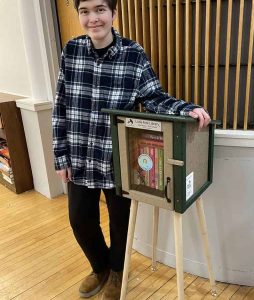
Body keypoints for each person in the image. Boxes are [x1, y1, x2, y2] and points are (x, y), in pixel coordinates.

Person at [52, 0, 211, 299]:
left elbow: (154, 97)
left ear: (113, 13)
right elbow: (59, 105)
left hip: (118, 159)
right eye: (84, 11)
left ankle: (117, 272)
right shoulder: (71, 51)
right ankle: (99, 267)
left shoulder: (133, 54)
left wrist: (186, 109)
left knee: (120, 223)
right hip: (79, 155)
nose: (93, 18)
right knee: (79, 219)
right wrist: (61, 155)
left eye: (100, 9)